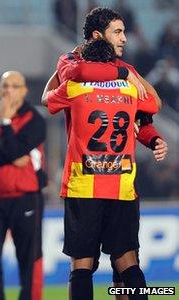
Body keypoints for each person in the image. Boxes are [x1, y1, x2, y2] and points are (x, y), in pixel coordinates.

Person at [41, 8, 168, 296]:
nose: (125, 38)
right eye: (118, 32)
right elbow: (153, 104)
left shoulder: (74, 81)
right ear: (98, 36)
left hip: (84, 183)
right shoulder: (127, 82)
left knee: (82, 265)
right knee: (127, 261)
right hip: (122, 183)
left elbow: (47, 98)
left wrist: (151, 137)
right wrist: (124, 73)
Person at [0, 71, 46, 300]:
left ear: (24, 90)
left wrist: (6, 123)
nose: (9, 90)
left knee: (30, 258)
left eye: (15, 86)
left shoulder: (35, 120)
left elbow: (6, 151)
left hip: (26, 196)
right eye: (5, 86)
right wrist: (12, 153)